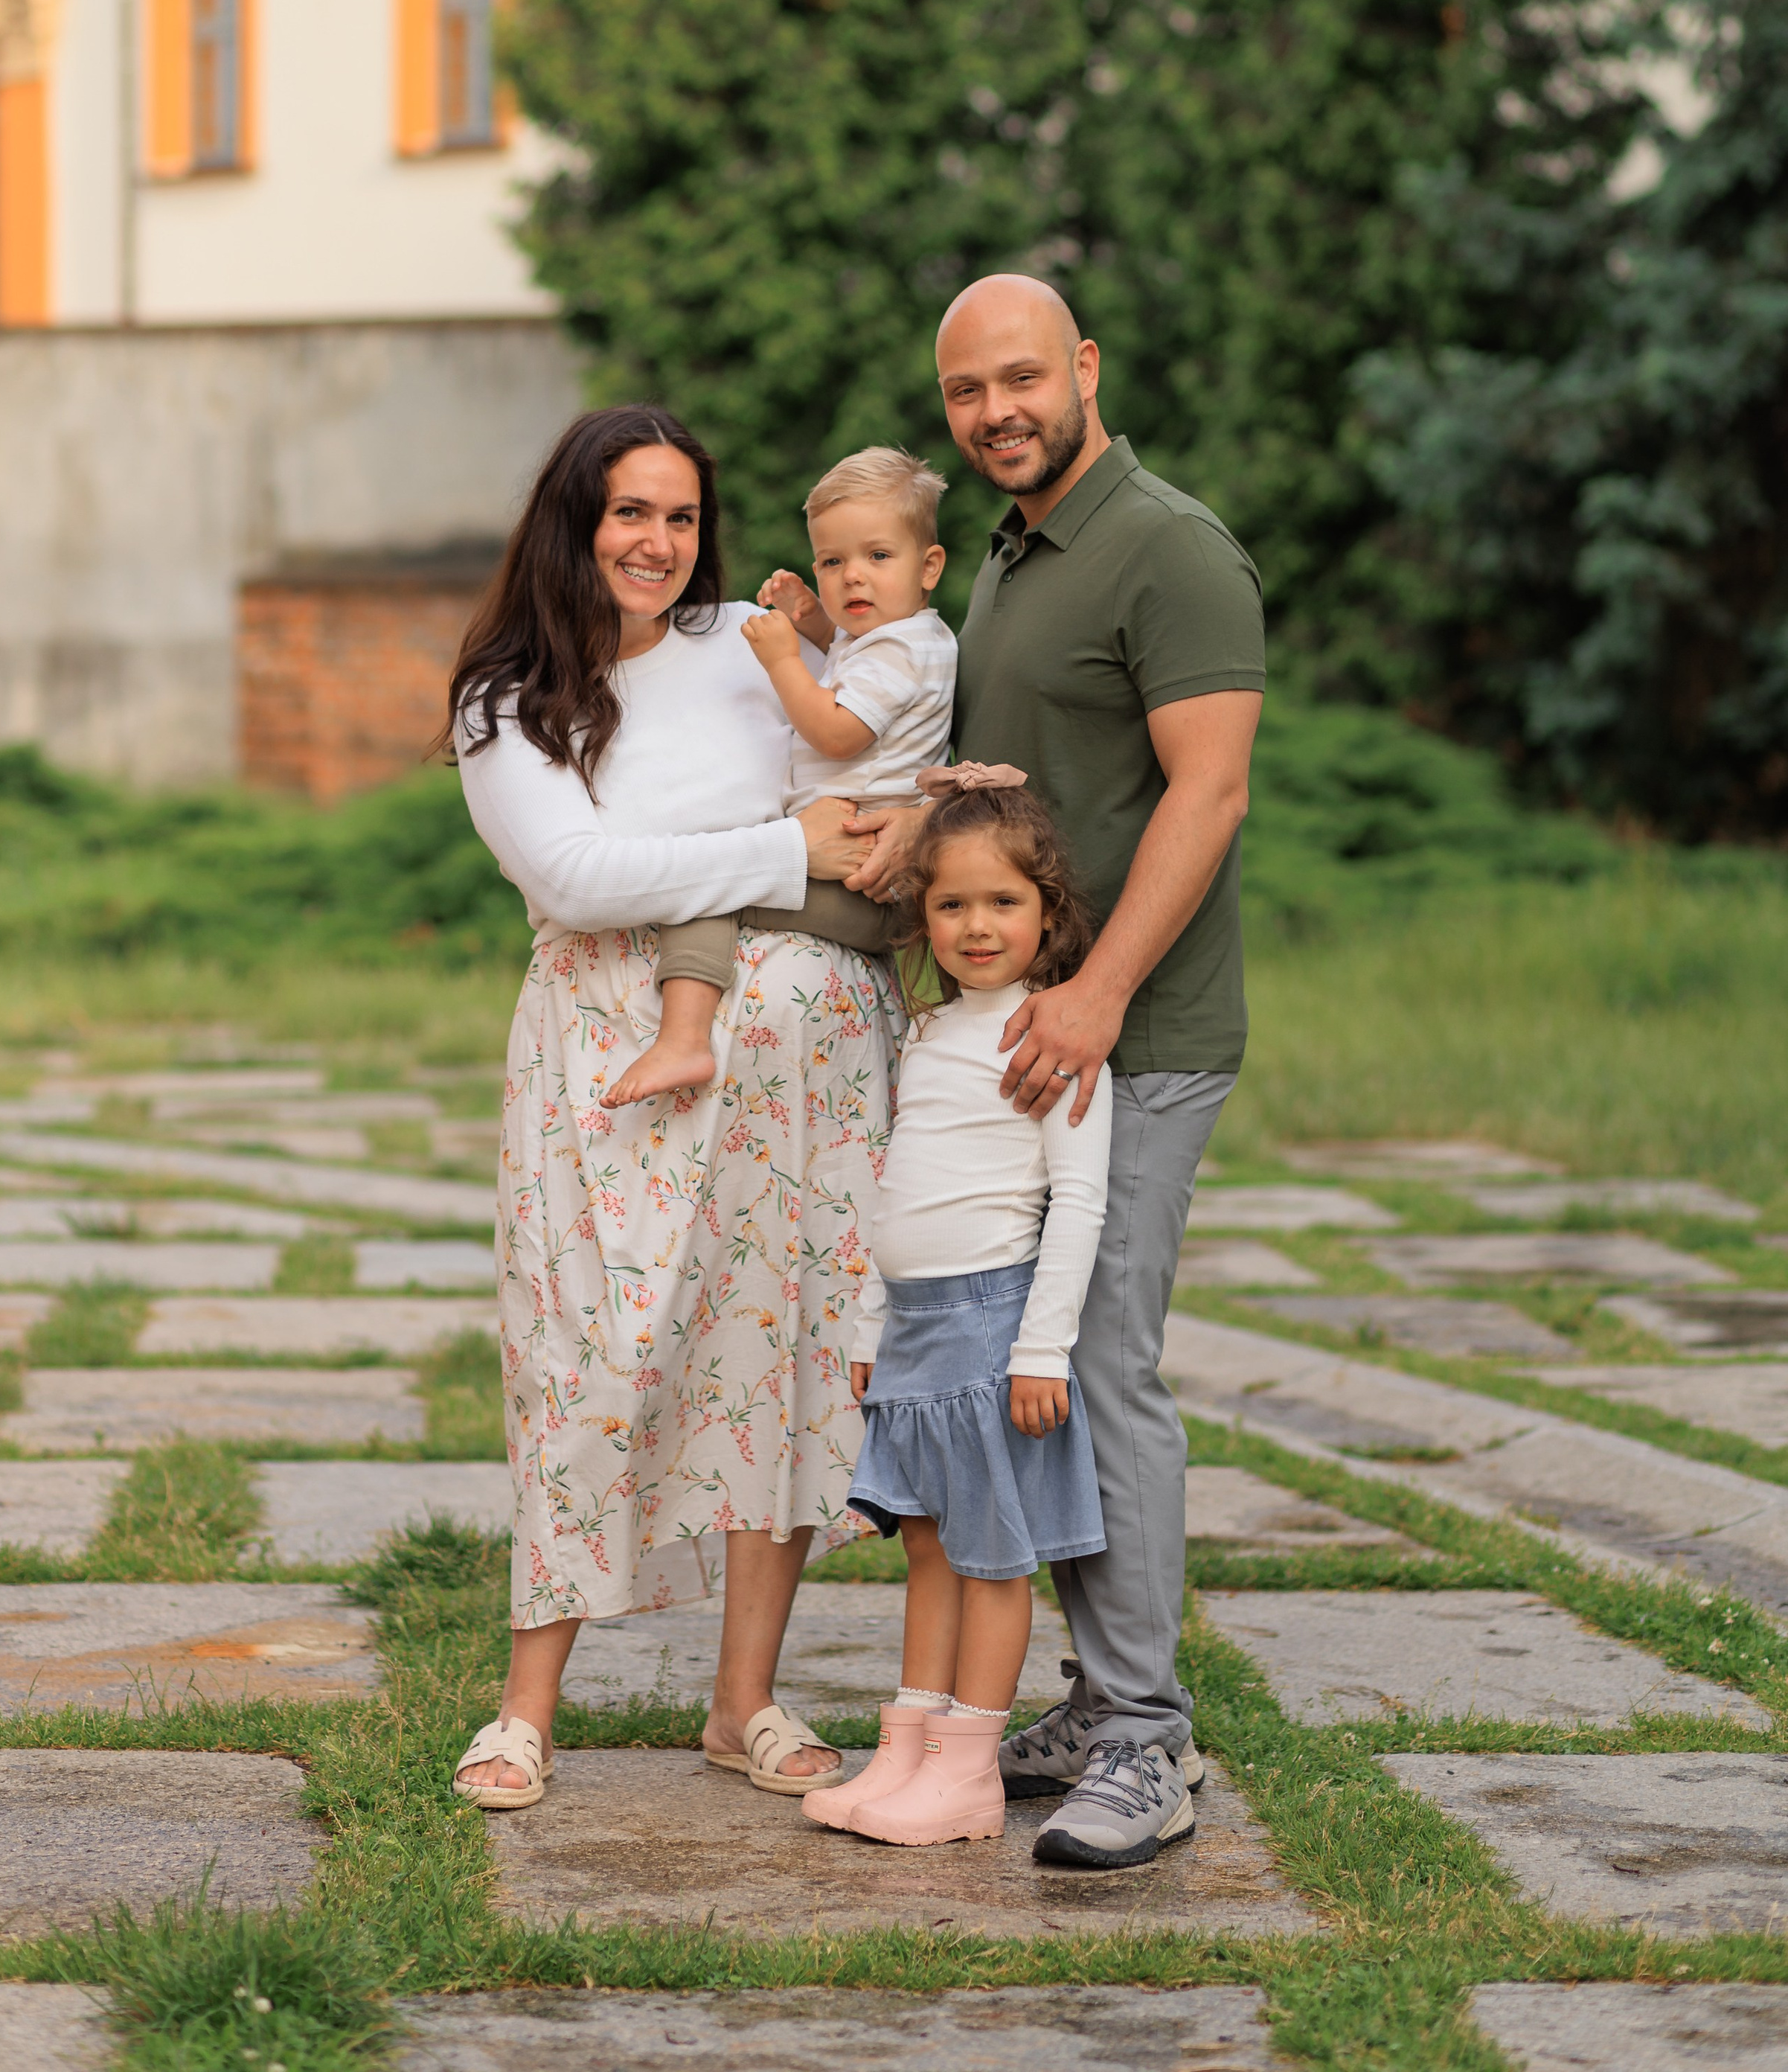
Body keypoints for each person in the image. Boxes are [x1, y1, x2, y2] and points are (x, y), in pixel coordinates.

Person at [845, 276, 1265, 1871]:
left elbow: (1205, 794)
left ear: (1083, 369)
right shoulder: (1016, 557)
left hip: (1128, 1039)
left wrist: (1090, 994)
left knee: (1094, 1365)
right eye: (966, 393)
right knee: (1040, 1382)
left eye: (1021, 378)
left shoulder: (1167, 548)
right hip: (1025, 1038)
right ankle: (1094, 1699)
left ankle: (1147, 1740)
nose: (995, 410)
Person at [445, 404, 897, 1809]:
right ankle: (526, 1710)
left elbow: (860, 775)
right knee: (591, 1359)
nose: (658, 543)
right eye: (630, 513)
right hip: (609, 1052)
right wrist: (778, 848)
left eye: (683, 517)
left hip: (802, 1066)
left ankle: (744, 1703)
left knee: (783, 1366)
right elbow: (576, 880)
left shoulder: (746, 652)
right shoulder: (506, 701)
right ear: (575, 521)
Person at [801, 776, 1127, 1852]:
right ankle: (910, 1748)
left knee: (991, 1561)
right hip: (915, 1328)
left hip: (993, 1330)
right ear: (922, 919)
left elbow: (1077, 1199)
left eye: (1003, 903)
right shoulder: (932, 1030)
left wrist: (1043, 1348)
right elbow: (894, 1190)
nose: (976, 927)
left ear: (1049, 914)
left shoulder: (1054, 1034)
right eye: (951, 907)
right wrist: (863, 1330)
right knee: (929, 1552)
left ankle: (970, 1774)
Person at [602, 446, 955, 1109]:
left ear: (929, 566)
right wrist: (814, 619)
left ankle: (682, 1039)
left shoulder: (905, 651)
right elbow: (850, 657)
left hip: (866, 881)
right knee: (721, 871)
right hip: (852, 867)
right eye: (832, 562)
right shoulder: (890, 636)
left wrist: (783, 659)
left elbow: (838, 731)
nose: (853, 578)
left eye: (878, 558)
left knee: (707, 889)